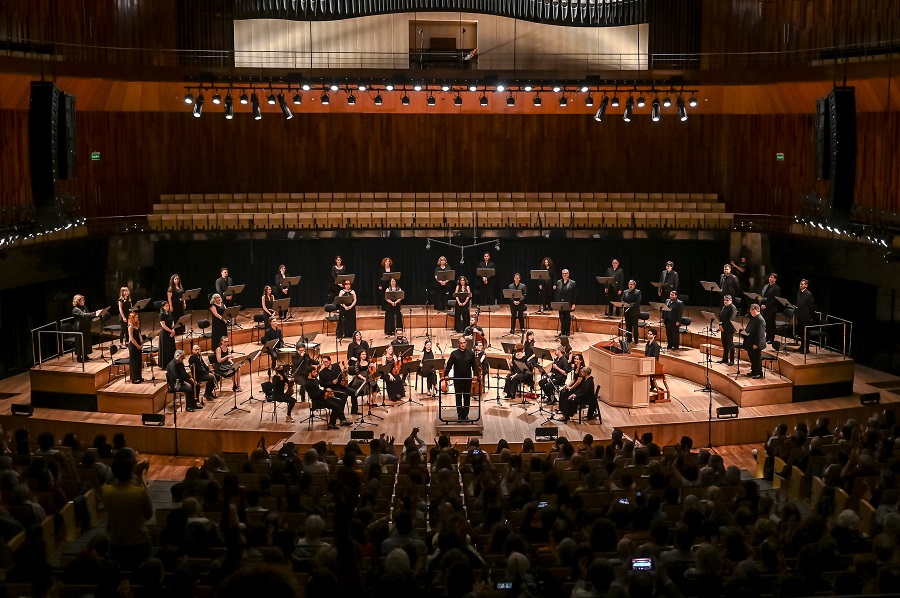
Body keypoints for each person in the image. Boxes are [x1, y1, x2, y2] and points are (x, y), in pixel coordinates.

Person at [102, 454, 153, 572]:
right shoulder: (139, 492)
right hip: (139, 540)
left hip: (116, 540)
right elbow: (148, 514)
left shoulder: (106, 491)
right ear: (131, 472)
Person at [444, 335, 478, 420]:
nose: (463, 345)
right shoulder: (454, 354)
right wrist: (446, 374)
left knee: (467, 397)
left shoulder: (470, 353)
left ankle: (465, 415)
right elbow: (448, 366)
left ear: (466, 343)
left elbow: (474, 366)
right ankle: (460, 415)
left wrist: (475, 375)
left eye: (464, 343)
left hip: (467, 379)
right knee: (458, 397)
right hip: (457, 379)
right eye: (461, 343)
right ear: (458, 344)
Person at [72, 294, 99, 362]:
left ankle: (85, 355)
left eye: (83, 300)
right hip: (79, 328)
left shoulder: (84, 307)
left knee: (86, 342)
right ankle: (79, 357)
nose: (83, 301)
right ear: (78, 301)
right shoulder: (76, 309)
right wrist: (95, 313)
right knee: (80, 342)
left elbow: (88, 314)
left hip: (86, 327)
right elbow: (83, 315)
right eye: (81, 300)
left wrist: (95, 317)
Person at [744, 303, 766, 378]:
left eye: (752, 309)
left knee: (757, 358)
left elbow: (760, 333)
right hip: (751, 341)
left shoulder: (760, 319)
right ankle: (754, 371)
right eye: (750, 309)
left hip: (756, 343)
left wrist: (756, 343)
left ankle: (759, 373)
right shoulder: (754, 318)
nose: (750, 311)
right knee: (752, 358)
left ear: (757, 310)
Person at [796, 278, 817, 353]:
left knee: (806, 334)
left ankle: (806, 349)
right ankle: (802, 346)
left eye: (802, 284)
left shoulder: (808, 294)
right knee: (801, 333)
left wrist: (811, 317)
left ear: (806, 285)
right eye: (800, 284)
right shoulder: (799, 292)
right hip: (800, 316)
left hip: (806, 317)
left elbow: (812, 306)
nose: (800, 285)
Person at [760, 272, 781, 344]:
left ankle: (771, 339)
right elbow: (762, 295)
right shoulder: (766, 286)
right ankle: (767, 337)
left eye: (772, 277)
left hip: (771, 309)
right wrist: (761, 304)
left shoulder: (777, 288)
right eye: (770, 277)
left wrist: (766, 305)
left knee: (771, 324)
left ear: (775, 279)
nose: (770, 278)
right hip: (764, 308)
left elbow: (775, 299)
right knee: (766, 324)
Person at [555, 269, 577, 336]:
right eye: (563, 273)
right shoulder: (559, 282)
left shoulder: (572, 283)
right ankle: (562, 331)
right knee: (561, 317)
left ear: (568, 274)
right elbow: (557, 293)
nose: (564, 275)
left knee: (567, 317)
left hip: (568, 303)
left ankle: (567, 331)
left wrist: (573, 303)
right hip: (560, 303)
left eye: (566, 273)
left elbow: (574, 294)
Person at [718, 295, 737, 366]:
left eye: (727, 300)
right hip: (723, 328)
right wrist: (720, 325)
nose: (725, 301)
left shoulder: (733, 308)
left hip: (729, 329)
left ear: (731, 300)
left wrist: (723, 327)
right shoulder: (724, 307)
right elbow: (721, 318)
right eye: (724, 300)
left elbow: (730, 320)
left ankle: (732, 360)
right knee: (724, 344)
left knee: (730, 344)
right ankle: (725, 358)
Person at [621, 279, 642, 344]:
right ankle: (629, 339)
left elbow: (638, 301)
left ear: (634, 285)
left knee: (635, 327)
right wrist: (623, 303)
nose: (630, 285)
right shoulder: (625, 291)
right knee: (628, 326)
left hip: (634, 312)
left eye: (632, 284)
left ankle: (636, 340)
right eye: (629, 284)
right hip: (627, 312)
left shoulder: (637, 292)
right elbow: (622, 299)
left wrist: (630, 305)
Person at [127, 312, 144, 384]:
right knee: (134, 362)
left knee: (138, 361)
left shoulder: (136, 326)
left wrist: (142, 341)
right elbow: (131, 338)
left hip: (138, 344)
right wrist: (138, 346)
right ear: (132, 318)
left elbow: (139, 334)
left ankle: (139, 376)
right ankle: (134, 378)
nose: (137, 319)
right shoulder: (130, 327)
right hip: (133, 346)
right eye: (135, 317)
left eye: (137, 317)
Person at [158, 301, 176, 368]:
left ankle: (172, 363)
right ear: (163, 307)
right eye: (166, 306)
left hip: (171, 331)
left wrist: (173, 330)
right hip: (165, 333)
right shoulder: (161, 315)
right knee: (166, 349)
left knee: (171, 348)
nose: (168, 307)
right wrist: (171, 331)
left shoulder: (169, 313)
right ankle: (165, 364)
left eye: (168, 305)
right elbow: (163, 325)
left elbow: (172, 322)